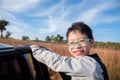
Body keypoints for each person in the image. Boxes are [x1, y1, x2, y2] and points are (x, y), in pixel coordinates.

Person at [30, 22, 109, 80]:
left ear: (91, 42)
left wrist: (36, 49)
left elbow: (58, 62)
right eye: (71, 43)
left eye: (81, 41)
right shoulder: (93, 61)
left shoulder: (91, 65)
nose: (76, 46)